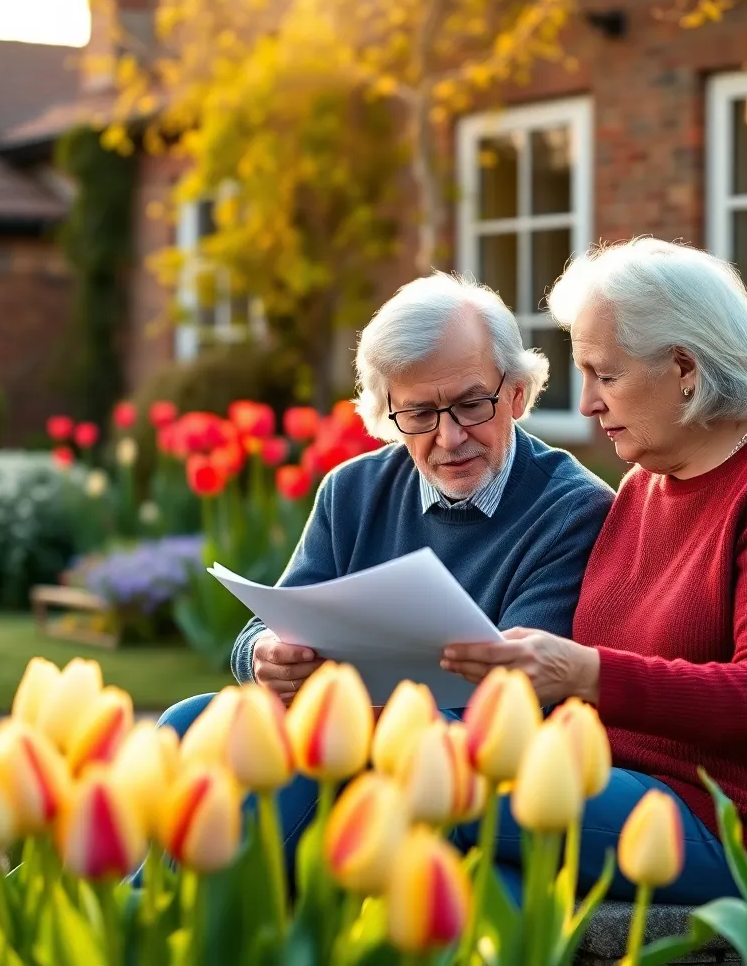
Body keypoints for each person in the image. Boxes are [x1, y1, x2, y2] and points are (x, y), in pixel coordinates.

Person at [442, 237, 747, 904]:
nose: (587, 403)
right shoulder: (643, 489)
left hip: (746, 824)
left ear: (684, 368)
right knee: (469, 878)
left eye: (605, 375)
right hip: (620, 785)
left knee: (432, 771)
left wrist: (584, 672)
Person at [157, 270, 615, 862]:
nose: (449, 438)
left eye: (471, 404)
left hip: (459, 771)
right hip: (350, 733)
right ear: (387, 411)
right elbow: (260, 628)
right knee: (185, 721)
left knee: (297, 753)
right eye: (420, 414)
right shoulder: (352, 490)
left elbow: (521, 701)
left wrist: (362, 714)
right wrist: (266, 656)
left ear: (518, 393)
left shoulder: (570, 509)